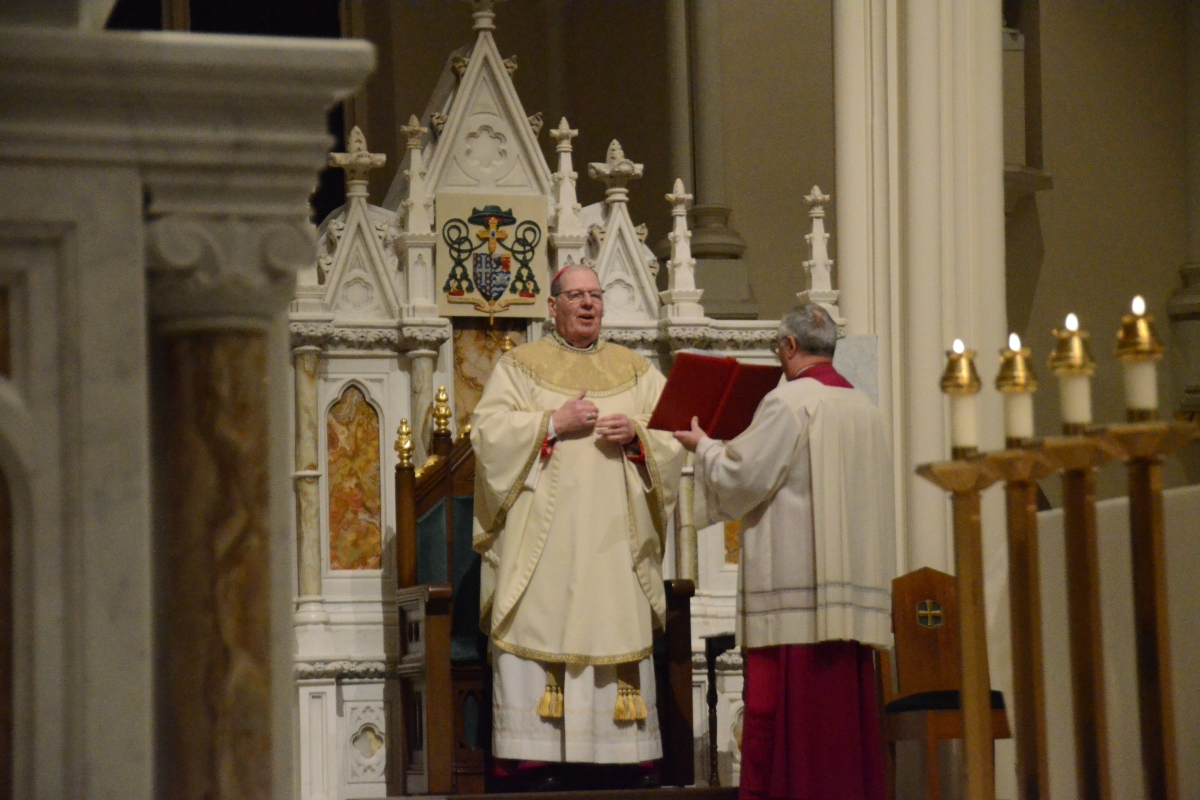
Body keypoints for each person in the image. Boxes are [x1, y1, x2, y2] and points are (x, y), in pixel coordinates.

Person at [471, 263, 685, 790]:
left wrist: (636, 435)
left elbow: (674, 436)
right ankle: (536, 761)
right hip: (543, 546)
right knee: (539, 623)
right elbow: (488, 434)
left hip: (615, 542)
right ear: (552, 307)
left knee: (614, 624)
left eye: (595, 295)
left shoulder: (636, 370)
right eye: (576, 296)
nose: (588, 304)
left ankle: (618, 760)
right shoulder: (519, 366)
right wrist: (551, 424)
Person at [675, 303, 895, 800]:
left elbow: (742, 476)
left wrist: (704, 447)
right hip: (851, 602)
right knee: (843, 734)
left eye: (779, 348)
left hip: (795, 602)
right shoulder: (866, 407)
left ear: (790, 347)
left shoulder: (790, 402)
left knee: (787, 735)